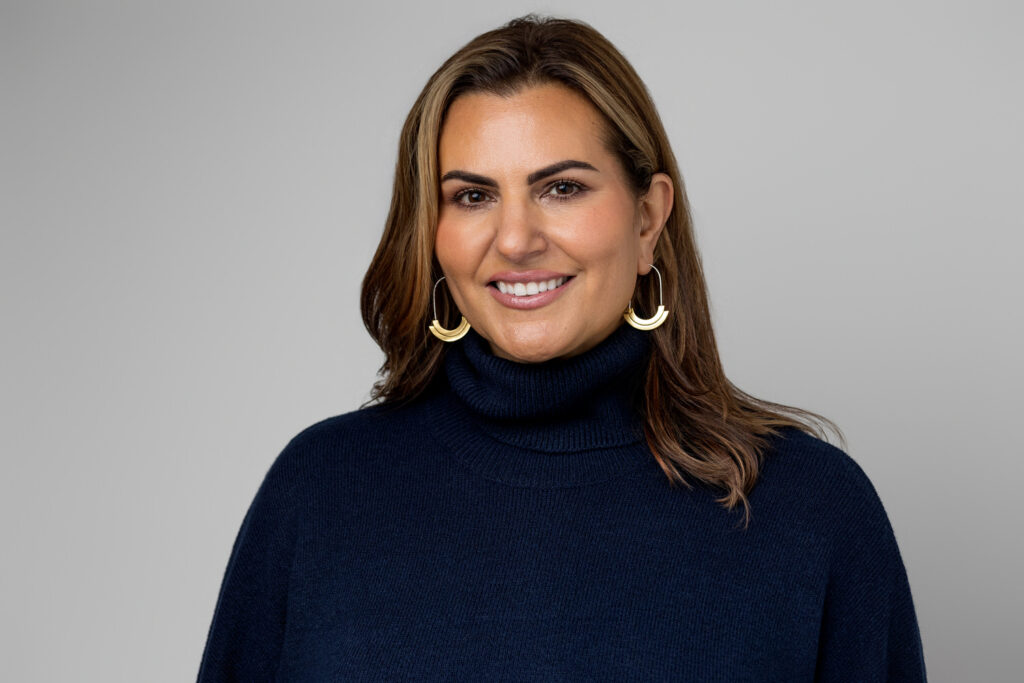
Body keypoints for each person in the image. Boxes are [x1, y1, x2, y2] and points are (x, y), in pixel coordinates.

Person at [197, 14, 926, 681]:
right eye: (473, 196)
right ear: (434, 232)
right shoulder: (320, 492)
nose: (514, 239)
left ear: (648, 219)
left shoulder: (812, 509)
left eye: (561, 188)